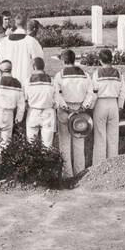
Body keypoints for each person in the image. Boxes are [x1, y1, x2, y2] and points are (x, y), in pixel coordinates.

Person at [54, 49, 93, 177]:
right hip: (80, 110)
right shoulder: (85, 75)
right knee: (79, 142)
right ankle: (80, 173)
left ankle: (67, 174)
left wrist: (67, 108)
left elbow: (57, 95)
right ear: (74, 59)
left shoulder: (59, 75)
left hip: (65, 110)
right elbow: (90, 93)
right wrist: (84, 106)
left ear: (63, 60)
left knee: (64, 143)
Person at [90, 48, 125, 161]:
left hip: (101, 103)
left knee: (100, 137)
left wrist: (91, 106)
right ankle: (113, 163)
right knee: (113, 137)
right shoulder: (119, 74)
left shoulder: (97, 74)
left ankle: (99, 165)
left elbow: (94, 92)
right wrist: (120, 106)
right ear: (112, 59)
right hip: (114, 104)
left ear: (100, 60)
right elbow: (122, 92)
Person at [0, 60, 24, 149]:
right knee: (5, 144)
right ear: (11, 69)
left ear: (0, 70)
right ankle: (3, 161)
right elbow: (21, 105)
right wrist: (18, 118)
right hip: (9, 115)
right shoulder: (18, 83)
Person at [24, 57, 56, 150]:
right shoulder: (51, 80)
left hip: (33, 112)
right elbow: (56, 99)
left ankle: (32, 164)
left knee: (31, 144)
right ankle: (46, 163)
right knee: (47, 145)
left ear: (34, 67)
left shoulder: (28, 81)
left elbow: (25, 99)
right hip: (48, 112)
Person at [1, 15, 42, 86]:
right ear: (25, 25)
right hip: (26, 82)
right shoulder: (32, 41)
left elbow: (1, 62)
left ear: (15, 24)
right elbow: (39, 62)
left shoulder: (4, 41)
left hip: (8, 83)